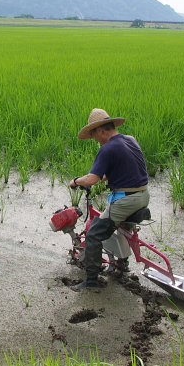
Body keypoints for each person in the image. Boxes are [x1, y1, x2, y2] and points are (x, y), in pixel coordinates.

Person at [69, 108, 149, 289]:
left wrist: (75, 181)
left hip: (127, 200)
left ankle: (91, 281)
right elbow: (127, 167)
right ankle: (121, 265)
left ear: (100, 130)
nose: (96, 140)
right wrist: (106, 176)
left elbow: (91, 179)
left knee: (95, 233)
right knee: (118, 228)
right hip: (143, 196)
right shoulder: (130, 140)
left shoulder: (107, 148)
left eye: (94, 136)